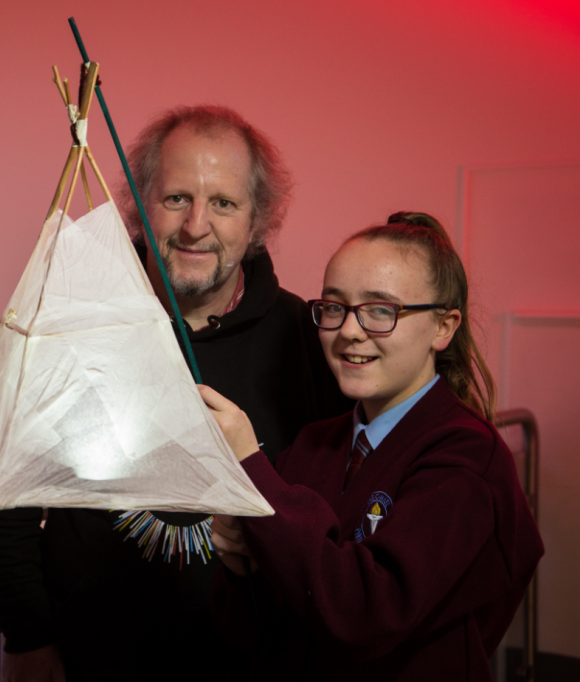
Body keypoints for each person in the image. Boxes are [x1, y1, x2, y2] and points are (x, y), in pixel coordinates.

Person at [0, 105, 351, 681]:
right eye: (176, 199)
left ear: (257, 222)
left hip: (252, 663)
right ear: (140, 206)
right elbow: (0, 498)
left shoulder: (303, 336)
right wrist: (29, 636)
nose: (197, 225)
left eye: (223, 203)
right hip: (90, 657)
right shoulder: (76, 317)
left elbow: (335, 507)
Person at [206, 212, 544, 681]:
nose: (349, 330)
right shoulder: (314, 444)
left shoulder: (465, 457)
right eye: (334, 307)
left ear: (443, 328)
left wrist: (251, 465)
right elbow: (256, 631)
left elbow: (364, 615)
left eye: (381, 310)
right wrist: (246, 569)